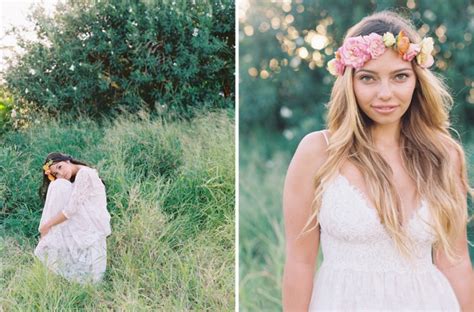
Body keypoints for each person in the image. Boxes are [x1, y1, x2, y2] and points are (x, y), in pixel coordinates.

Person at [282, 11, 474, 311]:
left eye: (400, 76)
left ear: (417, 80)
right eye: (368, 78)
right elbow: (300, 262)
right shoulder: (318, 152)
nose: (385, 94)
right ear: (349, 82)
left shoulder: (444, 155)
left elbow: (456, 261)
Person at [34, 152, 111, 284]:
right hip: (88, 220)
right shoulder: (80, 174)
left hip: (92, 223)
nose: (60, 174)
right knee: (58, 184)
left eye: (60, 167)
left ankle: (47, 241)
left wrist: (47, 225)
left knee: (58, 185)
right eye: (56, 174)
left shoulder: (84, 173)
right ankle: (52, 247)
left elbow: (70, 211)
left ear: (68, 161)